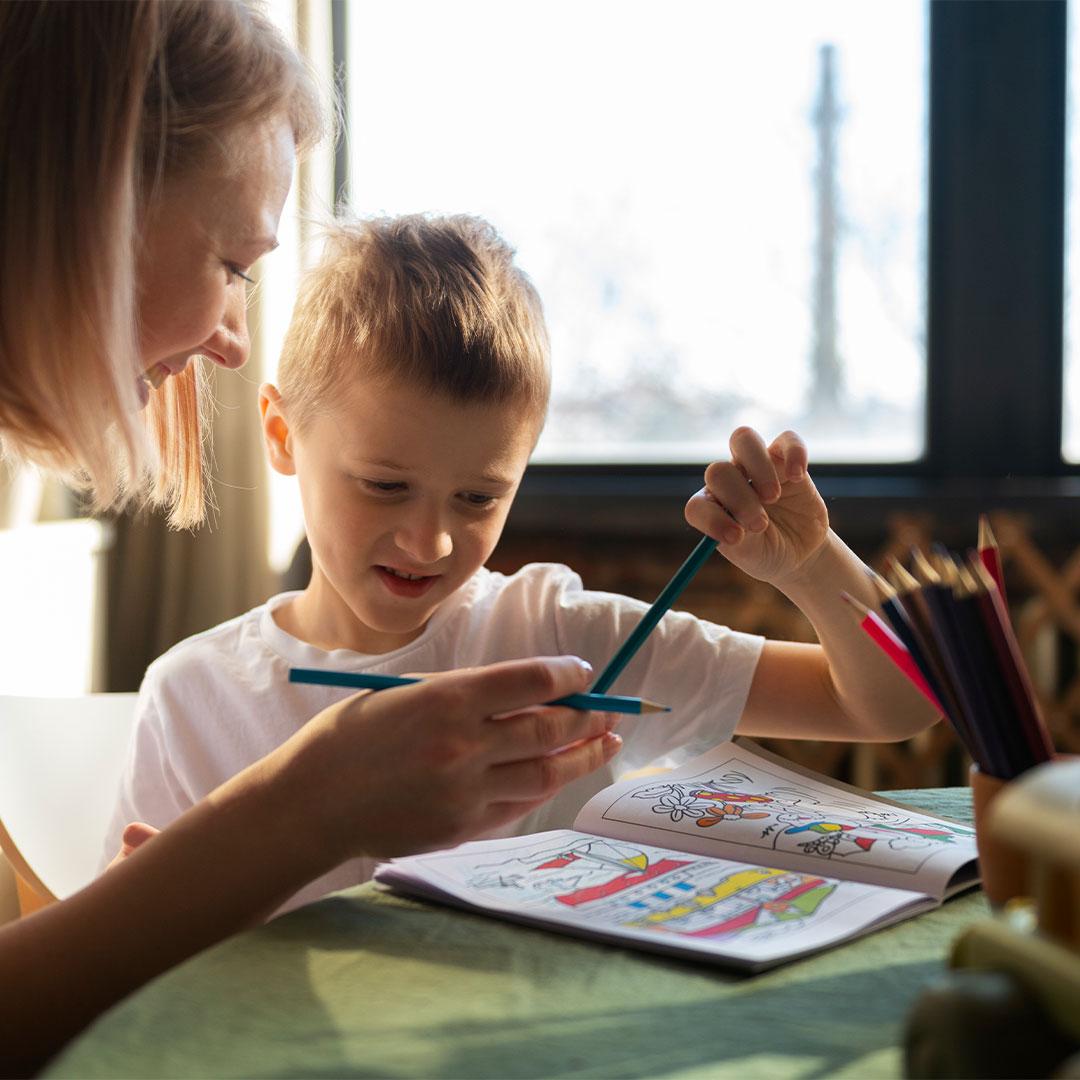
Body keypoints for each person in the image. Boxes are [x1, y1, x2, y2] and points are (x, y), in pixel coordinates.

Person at [0, 5, 617, 1074]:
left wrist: (185, 888)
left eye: (478, 496)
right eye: (234, 263)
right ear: (85, 206)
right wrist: (308, 808)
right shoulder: (197, 686)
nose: (234, 342)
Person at [102, 214, 940, 915]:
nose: (429, 543)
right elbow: (128, 951)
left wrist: (811, 566)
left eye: (477, 499)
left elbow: (889, 705)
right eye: (385, 485)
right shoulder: (193, 696)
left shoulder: (571, 640)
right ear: (284, 436)